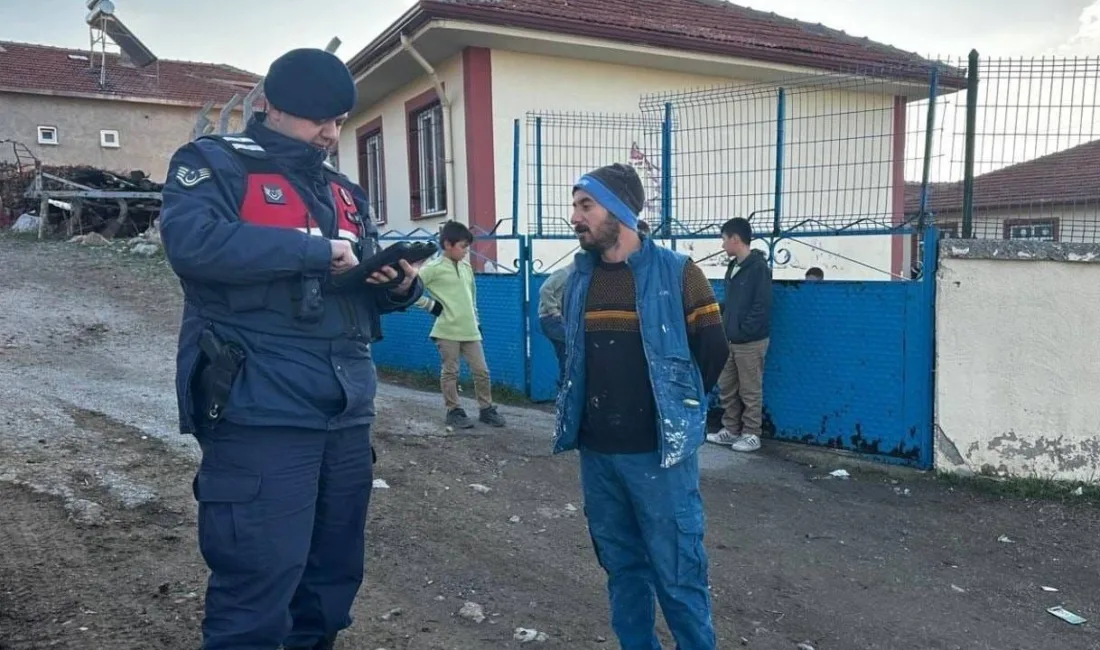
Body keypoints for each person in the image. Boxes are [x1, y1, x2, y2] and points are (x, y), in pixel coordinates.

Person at [159, 48, 424, 650]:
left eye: (339, 121)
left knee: (330, 588)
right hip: (260, 411)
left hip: (346, 413)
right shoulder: (213, 163)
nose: (331, 134)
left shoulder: (344, 191)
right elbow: (192, 243)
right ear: (271, 107)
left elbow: (357, 284)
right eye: (318, 120)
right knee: (256, 591)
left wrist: (398, 285)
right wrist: (314, 252)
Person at [553, 164, 726, 649]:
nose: (575, 217)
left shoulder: (679, 274)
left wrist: (676, 413)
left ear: (620, 211)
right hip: (598, 455)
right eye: (575, 206)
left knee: (678, 574)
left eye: (586, 205)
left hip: (658, 456)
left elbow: (713, 351)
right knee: (622, 569)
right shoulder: (580, 279)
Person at [414, 220, 506, 429]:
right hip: (446, 330)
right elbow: (409, 289)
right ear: (448, 244)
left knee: (482, 371)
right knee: (451, 372)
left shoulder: (466, 267)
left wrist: (477, 321)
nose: (466, 251)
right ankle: (454, 411)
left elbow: (472, 298)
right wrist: (430, 305)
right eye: (463, 246)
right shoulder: (433, 268)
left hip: (470, 329)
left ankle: (486, 409)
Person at [707, 217, 772, 453]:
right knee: (728, 387)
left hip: (750, 342)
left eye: (724, 239)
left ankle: (752, 434)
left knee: (750, 390)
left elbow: (761, 306)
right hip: (730, 339)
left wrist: (744, 331)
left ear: (735, 239)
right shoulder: (734, 267)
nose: (723, 245)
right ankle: (731, 429)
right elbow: (734, 302)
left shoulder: (758, 268)